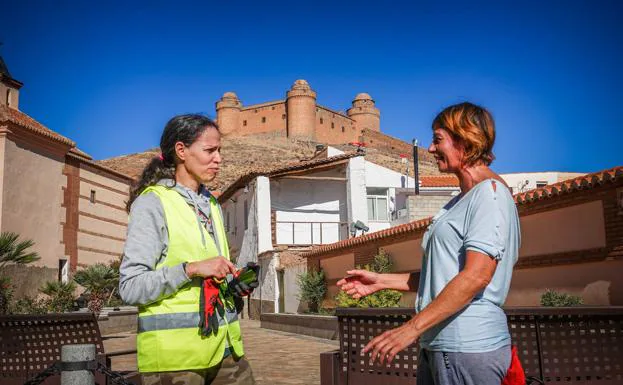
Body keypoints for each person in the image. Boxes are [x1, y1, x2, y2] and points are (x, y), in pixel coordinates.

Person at [337, 102, 520, 385]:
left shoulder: (490, 194)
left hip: (467, 347)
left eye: (438, 140)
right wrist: (380, 281)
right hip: (440, 345)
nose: (431, 149)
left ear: (466, 139)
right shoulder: (459, 202)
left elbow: (476, 276)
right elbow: (445, 278)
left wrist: (410, 329)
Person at [119, 114, 256, 385]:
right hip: (176, 362)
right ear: (181, 150)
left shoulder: (213, 204)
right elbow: (130, 287)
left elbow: (210, 281)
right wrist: (191, 269)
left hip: (226, 351)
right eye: (209, 150)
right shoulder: (152, 204)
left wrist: (232, 285)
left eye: (219, 150)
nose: (218, 158)